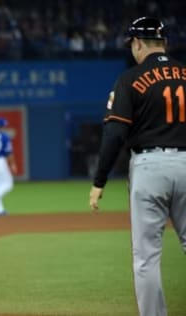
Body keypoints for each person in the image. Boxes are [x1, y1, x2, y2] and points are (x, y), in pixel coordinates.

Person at [89, 17, 186, 316]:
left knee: (146, 258)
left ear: (139, 43)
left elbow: (115, 133)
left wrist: (100, 180)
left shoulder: (130, 79)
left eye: (132, 43)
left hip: (149, 166)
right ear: (165, 43)